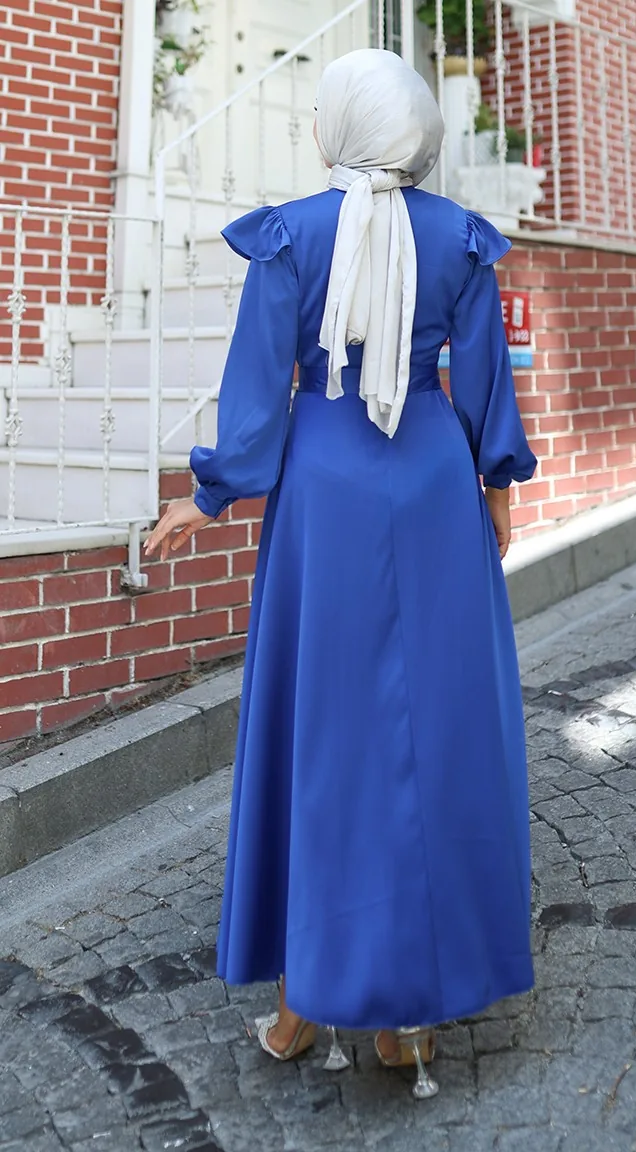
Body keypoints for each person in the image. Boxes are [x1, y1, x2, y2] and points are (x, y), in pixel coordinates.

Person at [145, 48, 537, 1100]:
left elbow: (256, 391)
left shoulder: (289, 237)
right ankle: (408, 1013)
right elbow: (483, 383)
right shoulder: (460, 237)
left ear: (342, 127)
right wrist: (496, 486)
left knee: (325, 733)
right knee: (434, 730)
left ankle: (302, 1001)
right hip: (432, 484)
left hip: (325, 493)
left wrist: (210, 494)